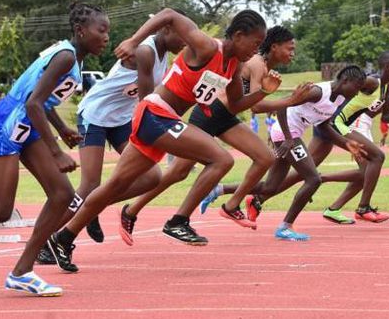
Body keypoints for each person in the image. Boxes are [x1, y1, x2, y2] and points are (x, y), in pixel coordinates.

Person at [47, 8, 276, 270]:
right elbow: (168, 14)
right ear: (237, 35)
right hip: (154, 113)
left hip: (163, 121)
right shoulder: (207, 47)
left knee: (113, 186)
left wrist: (263, 93)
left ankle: (61, 238)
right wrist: (134, 41)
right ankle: (178, 221)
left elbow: (234, 104)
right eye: (255, 43)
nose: (256, 50)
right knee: (221, 159)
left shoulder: (234, 67)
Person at [0, 3, 109, 296]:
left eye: (107, 31)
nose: (106, 37)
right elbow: (31, 102)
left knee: (63, 194)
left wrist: (61, 128)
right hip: (8, 123)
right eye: (101, 30)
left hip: (26, 125)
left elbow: (42, 100)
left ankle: (22, 272)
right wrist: (55, 151)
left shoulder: (72, 57)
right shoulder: (66, 56)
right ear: (81, 31)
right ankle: (22, 271)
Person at [120, 25, 308, 246]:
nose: (292, 53)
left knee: (265, 157)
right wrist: (289, 101)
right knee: (178, 173)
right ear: (274, 47)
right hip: (210, 114)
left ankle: (231, 206)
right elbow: (257, 107)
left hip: (226, 116)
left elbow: (243, 103)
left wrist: (272, 95)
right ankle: (134, 211)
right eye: (290, 48)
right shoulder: (257, 64)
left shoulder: (259, 66)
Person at [36, 17, 186, 265]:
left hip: (121, 120)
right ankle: (44, 242)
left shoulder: (163, 55)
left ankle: (93, 207)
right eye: (183, 35)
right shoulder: (144, 52)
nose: (185, 41)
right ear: (167, 28)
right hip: (96, 115)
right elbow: (148, 102)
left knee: (152, 177)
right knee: (89, 184)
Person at [240, 51, 389, 225]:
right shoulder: (372, 82)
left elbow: (386, 116)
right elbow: (344, 84)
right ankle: (362, 208)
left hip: (327, 125)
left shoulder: (387, 89)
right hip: (336, 123)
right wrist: (326, 98)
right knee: (376, 158)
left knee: (306, 172)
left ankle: (259, 199)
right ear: (387, 68)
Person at [202, 65, 368, 240]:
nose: (357, 93)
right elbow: (282, 106)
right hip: (285, 134)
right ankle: (285, 226)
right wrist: (288, 138)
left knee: (270, 187)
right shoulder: (317, 92)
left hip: (291, 135)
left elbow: (323, 126)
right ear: (345, 81)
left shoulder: (339, 99)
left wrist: (346, 142)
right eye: (357, 88)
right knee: (313, 179)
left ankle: (218, 190)